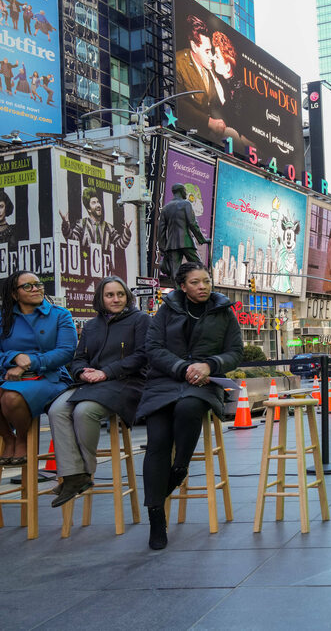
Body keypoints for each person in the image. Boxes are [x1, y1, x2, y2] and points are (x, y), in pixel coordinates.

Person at [136, 262, 242, 550]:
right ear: (183, 286)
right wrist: (182, 367)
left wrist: (210, 365)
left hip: (204, 384)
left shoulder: (224, 312)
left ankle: (180, 467)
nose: (203, 286)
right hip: (165, 382)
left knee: (187, 408)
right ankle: (156, 518)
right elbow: (153, 348)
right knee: (157, 441)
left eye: (206, 281)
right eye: (195, 282)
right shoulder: (166, 310)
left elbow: (235, 352)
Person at [46, 277, 149, 507]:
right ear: (100, 298)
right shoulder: (92, 326)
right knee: (56, 410)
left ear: (127, 296)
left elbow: (142, 355)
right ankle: (75, 476)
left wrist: (106, 372)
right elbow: (78, 358)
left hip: (126, 383)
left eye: (120, 294)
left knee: (85, 411)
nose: (116, 299)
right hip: (90, 383)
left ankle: (84, 472)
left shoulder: (141, 320)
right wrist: (82, 372)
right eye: (110, 295)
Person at [0, 271, 77, 465]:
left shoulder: (60, 315)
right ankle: (8, 438)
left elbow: (66, 351)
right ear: (14, 294)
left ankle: (21, 439)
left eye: (38, 284)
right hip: (9, 376)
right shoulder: (4, 318)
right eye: (27, 286)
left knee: (11, 397)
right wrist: (15, 357)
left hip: (51, 378)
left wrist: (30, 362)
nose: (35, 288)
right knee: (8, 392)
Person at [175, 14, 224, 136]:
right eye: (207, 51)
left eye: (211, 51)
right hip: (186, 134)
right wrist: (209, 122)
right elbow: (178, 102)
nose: (212, 57)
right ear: (194, 46)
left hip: (212, 138)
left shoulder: (211, 69)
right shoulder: (179, 63)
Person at [157, 183, 208, 279]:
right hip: (186, 241)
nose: (186, 193)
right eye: (185, 191)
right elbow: (192, 223)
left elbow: (161, 230)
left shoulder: (165, 208)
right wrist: (202, 239)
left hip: (172, 245)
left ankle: (179, 292)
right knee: (199, 266)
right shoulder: (186, 204)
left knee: (175, 272)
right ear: (181, 191)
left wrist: (162, 247)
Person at [60, 187, 132, 251]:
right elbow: (73, 240)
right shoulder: (82, 224)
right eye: (94, 203)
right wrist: (65, 225)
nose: (98, 205)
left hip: (105, 265)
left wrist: (127, 232)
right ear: (89, 209)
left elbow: (120, 245)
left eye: (98, 202)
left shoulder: (109, 227)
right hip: (86, 264)